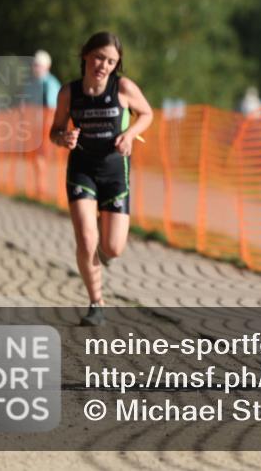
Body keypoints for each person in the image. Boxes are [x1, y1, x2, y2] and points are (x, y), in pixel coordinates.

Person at [49, 33, 153, 326]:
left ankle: (100, 251)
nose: (103, 65)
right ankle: (96, 303)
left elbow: (146, 113)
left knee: (114, 248)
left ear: (117, 64)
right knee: (85, 237)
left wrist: (130, 135)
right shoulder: (69, 92)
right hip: (82, 169)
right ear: (85, 56)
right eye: (98, 58)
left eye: (110, 61)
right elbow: (54, 130)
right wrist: (63, 138)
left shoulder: (123, 88)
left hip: (115, 171)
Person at [23, 50, 62, 199]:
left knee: (43, 158)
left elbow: (51, 110)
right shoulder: (31, 84)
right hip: (34, 128)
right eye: (34, 65)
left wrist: (48, 129)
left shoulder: (50, 84)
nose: (35, 68)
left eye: (38, 65)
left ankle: (43, 189)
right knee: (38, 159)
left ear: (47, 66)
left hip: (47, 129)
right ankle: (40, 187)